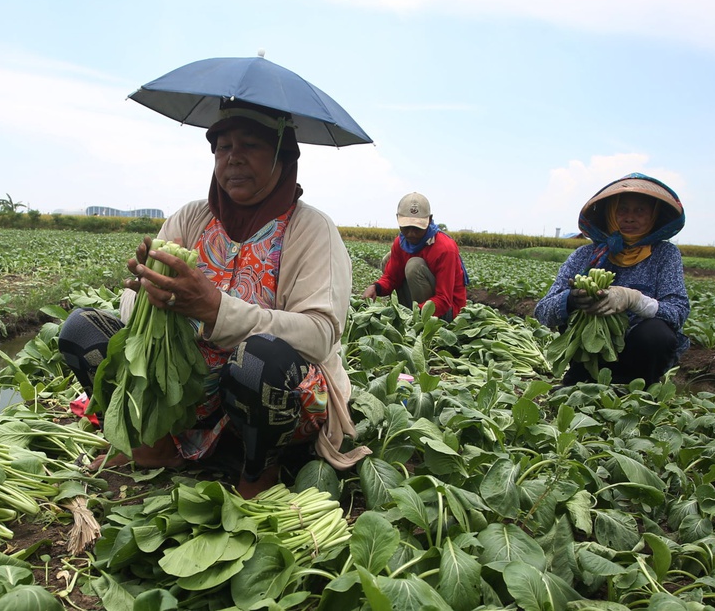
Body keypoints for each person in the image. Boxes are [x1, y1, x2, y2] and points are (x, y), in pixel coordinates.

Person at [58, 100, 369, 498]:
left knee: (259, 359)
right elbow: (130, 307)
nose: (233, 158)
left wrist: (214, 309)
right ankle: (155, 444)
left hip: (267, 392)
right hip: (186, 387)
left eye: (250, 145)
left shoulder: (312, 230)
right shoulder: (191, 219)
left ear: (282, 154)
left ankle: (259, 470)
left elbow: (319, 335)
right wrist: (149, 298)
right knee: (81, 330)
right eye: (223, 147)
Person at [533, 173, 690, 384]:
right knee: (571, 317)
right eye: (622, 209)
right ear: (609, 214)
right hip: (589, 356)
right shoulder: (584, 256)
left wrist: (634, 300)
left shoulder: (664, 255)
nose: (630, 217)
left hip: (639, 364)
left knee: (657, 333)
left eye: (640, 210)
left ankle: (634, 387)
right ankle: (582, 380)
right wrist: (571, 300)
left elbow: (678, 311)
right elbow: (543, 312)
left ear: (654, 215)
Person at [361, 192, 468, 321]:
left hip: (447, 311)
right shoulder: (400, 243)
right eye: (406, 228)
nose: (411, 234)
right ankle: (409, 316)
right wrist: (376, 287)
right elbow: (392, 277)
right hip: (419, 309)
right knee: (388, 259)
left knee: (414, 265)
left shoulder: (444, 248)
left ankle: (417, 320)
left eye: (417, 228)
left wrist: (416, 314)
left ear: (429, 219)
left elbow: (444, 300)